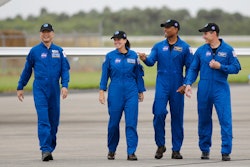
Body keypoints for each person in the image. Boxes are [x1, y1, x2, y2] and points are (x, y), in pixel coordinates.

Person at [184, 23, 241, 161]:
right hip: (204, 89)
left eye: (205, 33)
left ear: (214, 33)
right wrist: (188, 83)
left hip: (220, 89)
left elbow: (236, 67)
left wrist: (220, 66)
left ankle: (226, 151)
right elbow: (193, 69)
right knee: (203, 120)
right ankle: (204, 150)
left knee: (225, 120)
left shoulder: (228, 50)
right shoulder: (201, 51)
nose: (203, 36)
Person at [138, 19, 193, 159]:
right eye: (164, 28)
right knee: (158, 113)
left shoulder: (185, 47)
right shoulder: (158, 46)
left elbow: (191, 68)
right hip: (162, 85)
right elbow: (151, 62)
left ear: (176, 29)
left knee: (177, 118)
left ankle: (176, 149)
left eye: (168, 28)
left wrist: (186, 84)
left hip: (177, 87)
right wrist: (144, 59)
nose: (165, 30)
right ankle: (160, 145)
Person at [17, 23, 70, 161]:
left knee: (54, 121)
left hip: (54, 89)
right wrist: (20, 86)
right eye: (43, 32)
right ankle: (45, 149)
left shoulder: (59, 51)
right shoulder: (34, 51)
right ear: (40, 34)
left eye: (48, 32)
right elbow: (27, 70)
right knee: (43, 120)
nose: (46, 34)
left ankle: (50, 147)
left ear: (53, 34)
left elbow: (65, 70)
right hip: (40, 89)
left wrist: (64, 85)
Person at [99, 30, 146, 161]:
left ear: (125, 41)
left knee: (131, 122)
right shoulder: (109, 56)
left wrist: (140, 90)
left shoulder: (133, 56)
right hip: (115, 91)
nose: (117, 41)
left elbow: (138, 75)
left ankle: (131, 151)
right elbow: (104, 76)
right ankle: (111, 149)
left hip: (131, 91)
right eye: (115, 39)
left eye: (119, 39)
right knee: (114, 123)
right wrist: (101, 91)